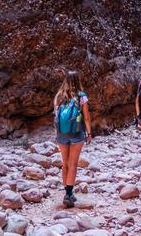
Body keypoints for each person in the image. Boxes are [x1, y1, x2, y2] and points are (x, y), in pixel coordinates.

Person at [54, 70, 92, 207]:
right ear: (78, 80)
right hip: (76, 134)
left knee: (65, 164)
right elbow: (86, 117)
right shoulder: (82, 96)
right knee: (73, 164)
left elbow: (56, 115)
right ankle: (69, 194)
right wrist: (89, 133)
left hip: (61, 134)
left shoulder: (59, 96)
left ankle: (66, 192)